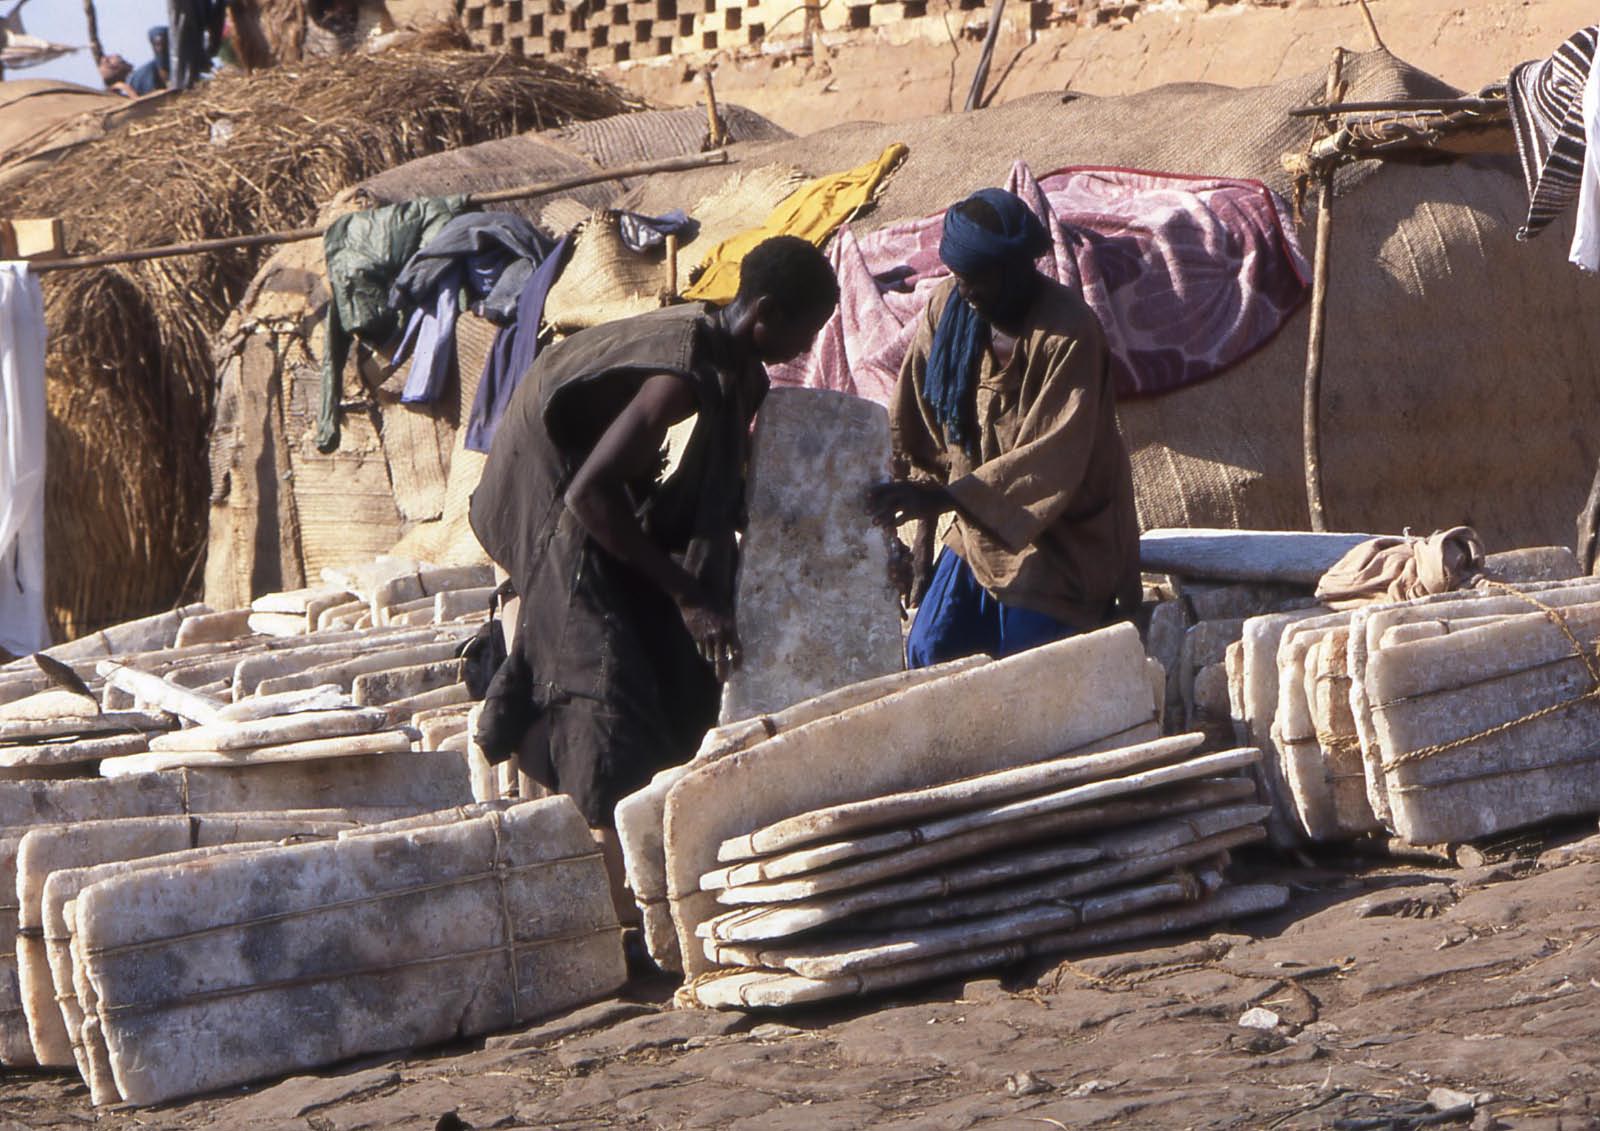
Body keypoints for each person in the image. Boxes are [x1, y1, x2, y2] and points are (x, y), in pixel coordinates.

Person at [468, 235, 839, 906]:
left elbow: (722, 492)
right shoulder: (684, 371)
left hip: (604, 479)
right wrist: (686, 593)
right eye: (805, 332)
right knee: (599, 674)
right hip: (546, 481)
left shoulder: (740, 373)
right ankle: (607, 909)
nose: (806, 350)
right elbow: (586, 495)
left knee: (668, 655)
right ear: (765, 313)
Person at [867, 187, 1140, 668]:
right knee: (929, 652)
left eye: (980, 280)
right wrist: (922, 546)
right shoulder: (950, 308)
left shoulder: (1069, 333)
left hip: (1064, 539)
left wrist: (949, 498)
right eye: (962, 277)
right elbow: (920, 426)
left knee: (1026, 669)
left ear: (1020, 269)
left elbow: (1051, 460)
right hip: (975, 528)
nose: (968, 291)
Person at [127, 27, 170, 96]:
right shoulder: (140, 77)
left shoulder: (185, 70)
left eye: (165, 43)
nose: (161, 49)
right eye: (157, 44)